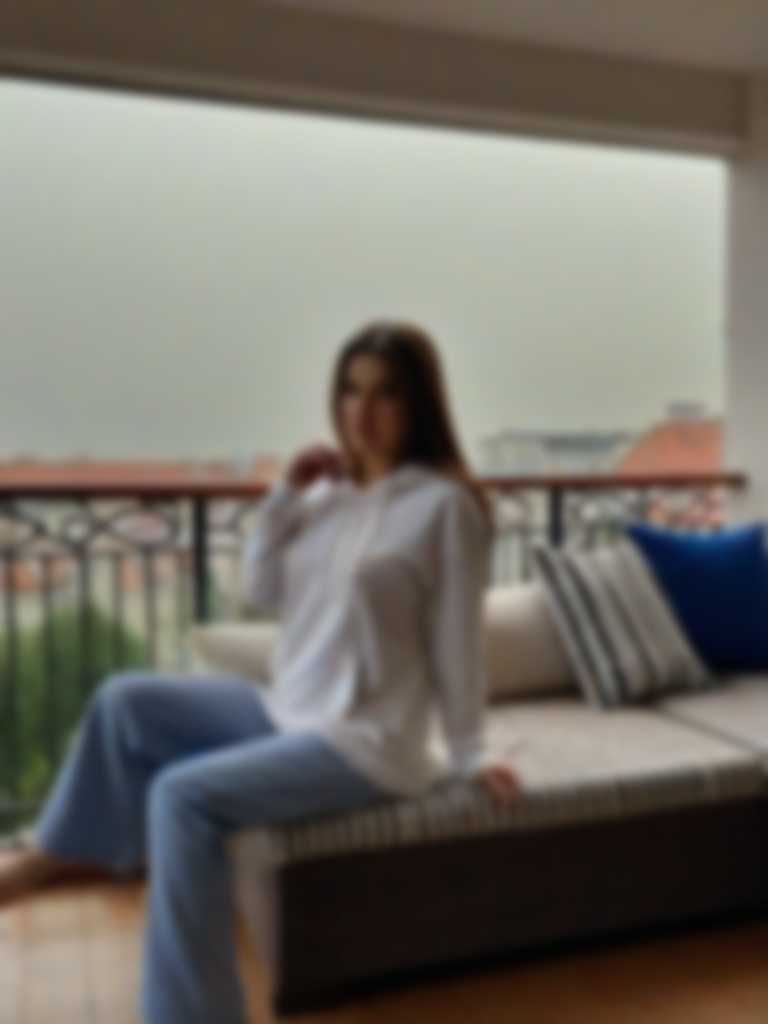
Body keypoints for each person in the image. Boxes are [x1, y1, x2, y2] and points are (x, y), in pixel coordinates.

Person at [0, 319, 522, 1023]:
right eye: (350, 391)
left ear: (419, 404)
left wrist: (469, 754)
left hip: (366, 740)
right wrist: (283, 499)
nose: (362, 412)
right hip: (285, 707)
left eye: (386, 394)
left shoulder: (446, 508)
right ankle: (55, 854)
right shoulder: (326, 498)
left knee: (181, 797)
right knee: (123, 700)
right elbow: (263, 590)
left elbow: (459, 640)